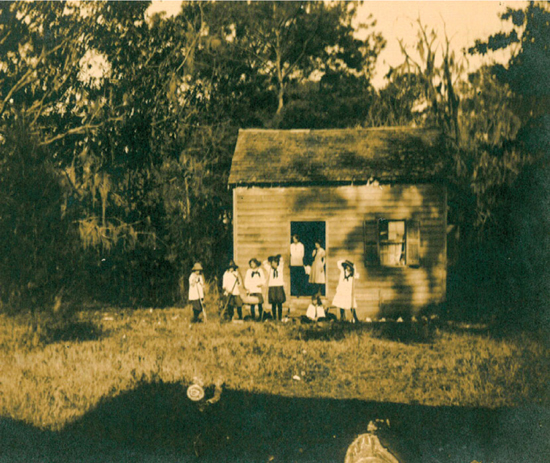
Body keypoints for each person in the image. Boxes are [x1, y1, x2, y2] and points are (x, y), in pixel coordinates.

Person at [263, 254, 286, 321]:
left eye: (275, 262)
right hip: (272, 287)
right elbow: (264, 263)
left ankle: (279, 318)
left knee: (279, 304)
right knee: (273, 304)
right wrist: (269, 259)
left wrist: (277, 257)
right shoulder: (269, 269)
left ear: (277, 263)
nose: (273, 264)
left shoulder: (280, 268)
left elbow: (282, 260)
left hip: (279, 287)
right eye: (272, 263)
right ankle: (274, 318)